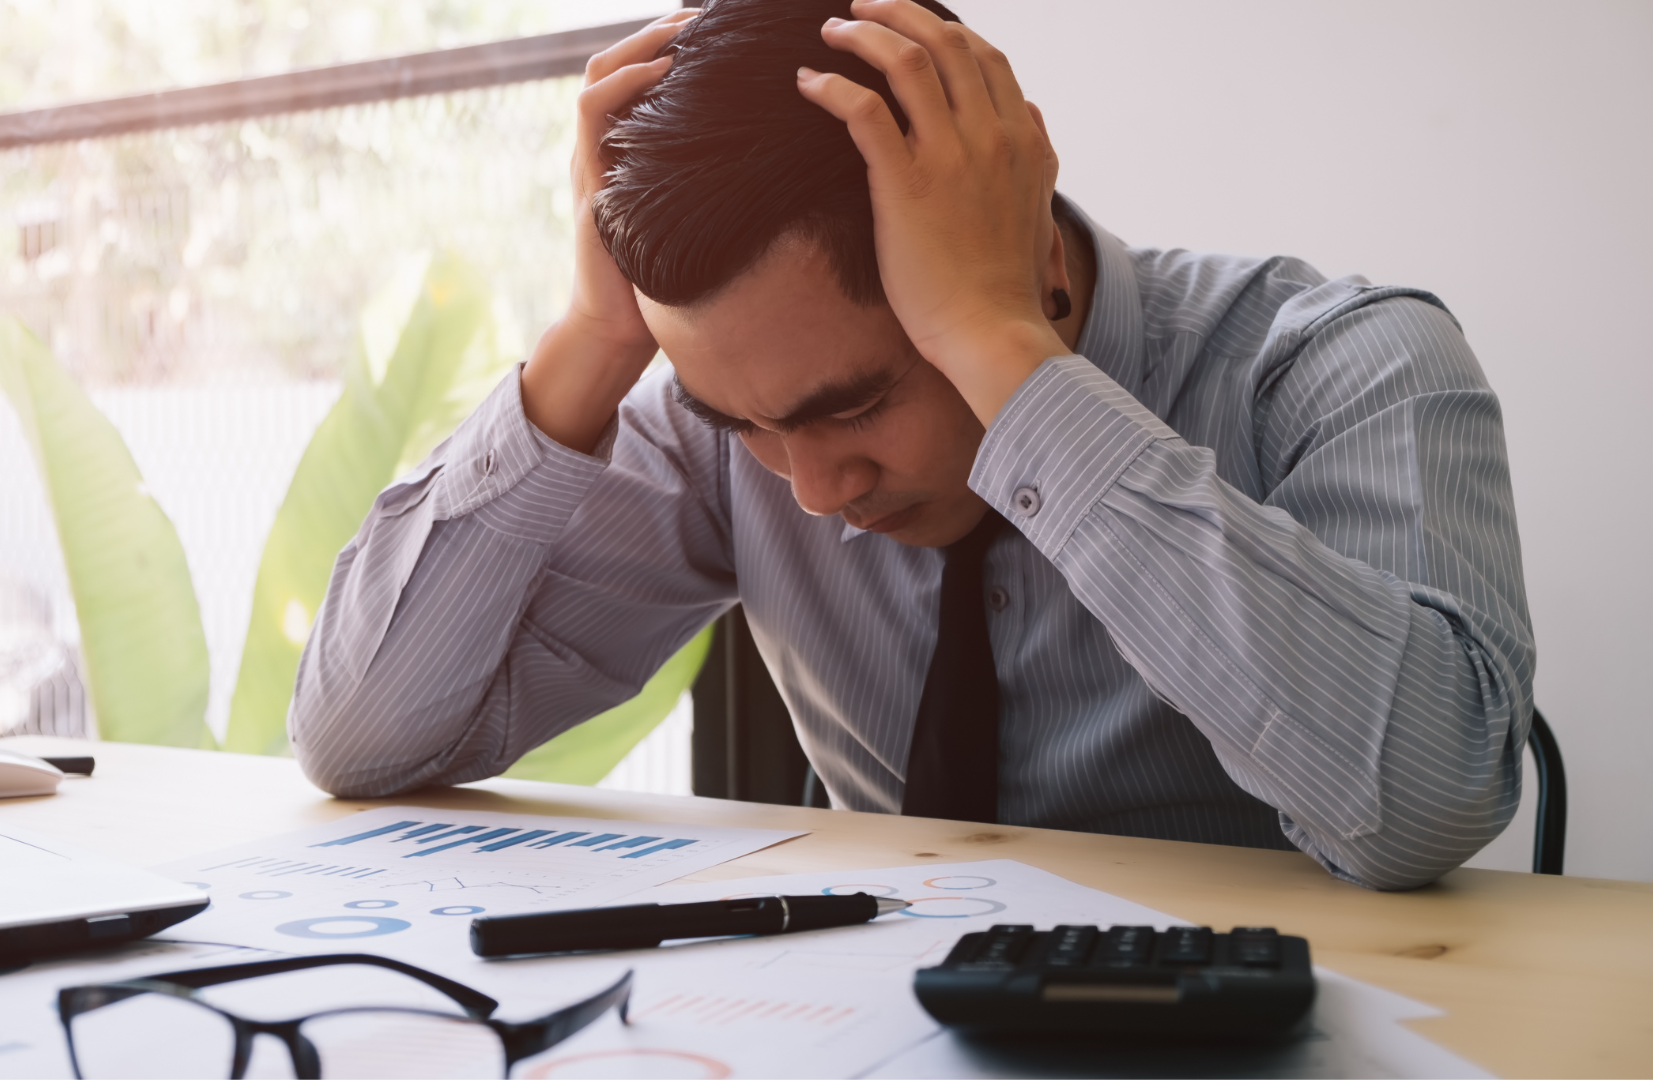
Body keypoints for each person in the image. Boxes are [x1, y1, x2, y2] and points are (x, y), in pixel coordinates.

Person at [287, 0, 1534, 891]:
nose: (817, 491)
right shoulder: (736, 426)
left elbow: (1420, 807)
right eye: (747, 427)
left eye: (856, 405)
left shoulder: (1341, 363)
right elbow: (361, 739)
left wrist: (1008, 358)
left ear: (1034, 259)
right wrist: (589, 347)